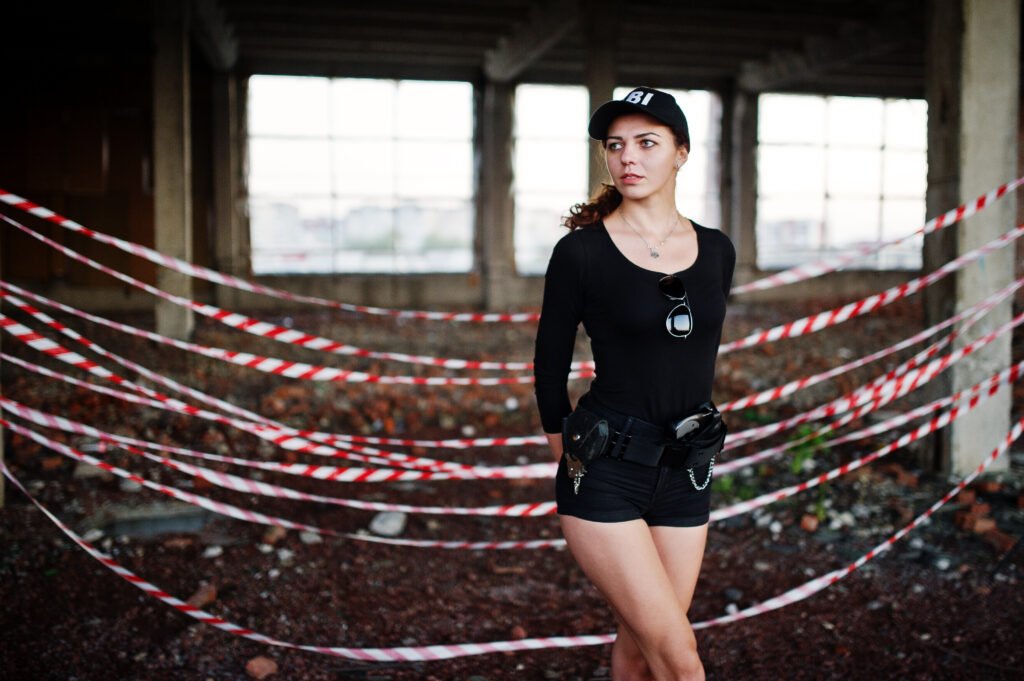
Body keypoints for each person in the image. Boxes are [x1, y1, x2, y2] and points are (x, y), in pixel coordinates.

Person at [533, 86, 735, 681]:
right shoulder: (581, 253)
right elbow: (549, 367)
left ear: (681, 153)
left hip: (687, 470)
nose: (628, 158)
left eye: (647, 143)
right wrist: (571, 462)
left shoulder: (716, 250)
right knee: (680, 658)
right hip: (606, 471)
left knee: (643, 649)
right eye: (615, 145)